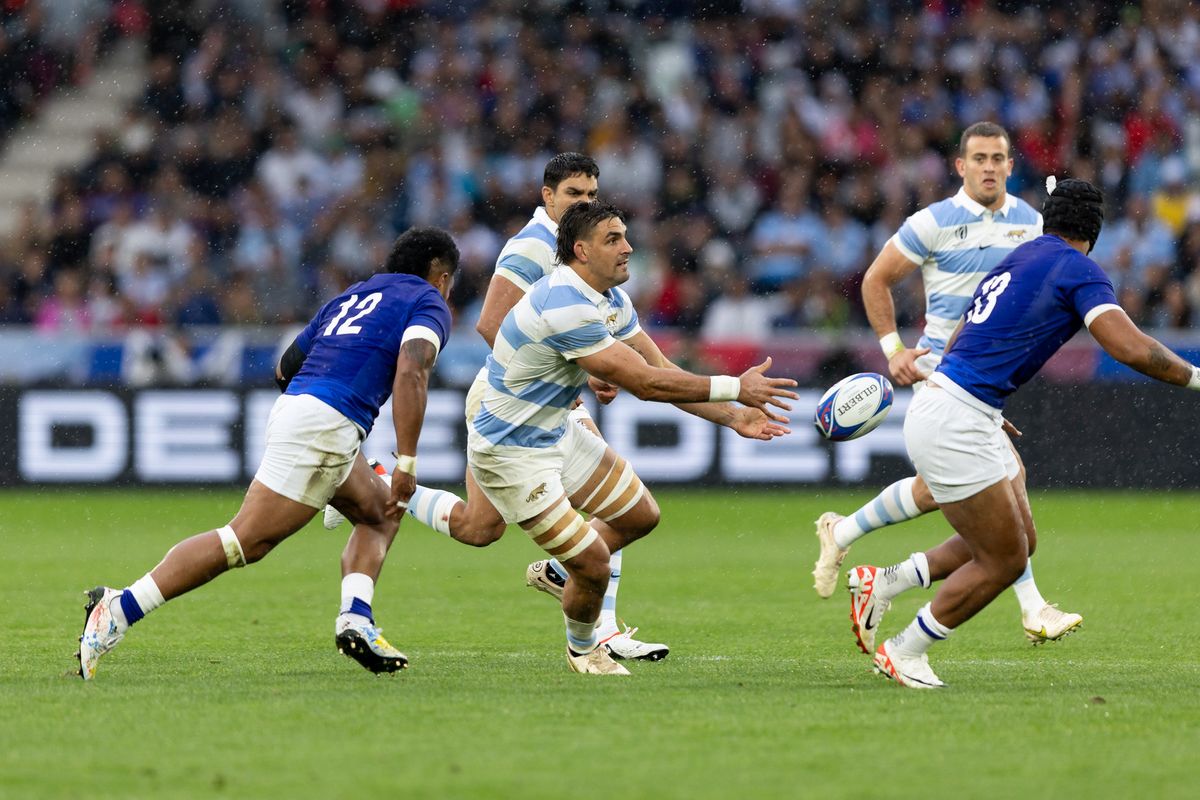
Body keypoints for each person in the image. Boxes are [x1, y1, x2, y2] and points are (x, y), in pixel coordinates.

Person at [76, 228, 461, 680]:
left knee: (381, 513)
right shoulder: (428, 301)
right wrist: (408, 462)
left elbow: (284, 368)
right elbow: (412, 372)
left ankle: (356, 621)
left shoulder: (352, 296)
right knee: (243, 542)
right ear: (440, 277)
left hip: (300, 409)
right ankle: (119, 608)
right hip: (326, 427)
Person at [867, 178, 1200, 687]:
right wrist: (1194, 376)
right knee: (1003, 560)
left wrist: (983, 399)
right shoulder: (1079, 269)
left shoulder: (1020, 256)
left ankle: (889, 581)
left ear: (1048, 221)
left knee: (1020, 539)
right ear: (1095, 230)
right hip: (957, 417)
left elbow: (965, 331)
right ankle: (905, 649)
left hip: (957, 406)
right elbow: (1129, 347)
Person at [341, 153, 668, 660]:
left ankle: (381, 482)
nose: (584, 202)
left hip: (542, 397)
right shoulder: (533, 247)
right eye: (573, 194)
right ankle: (594, 627)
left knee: (480, 528)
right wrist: (574, 374)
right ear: (547, 196)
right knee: (611, 508)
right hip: (515, 400)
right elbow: (492, 323)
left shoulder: (581, 248)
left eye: (590, 195)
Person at [447, 201, 796, 675]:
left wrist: (733, 417)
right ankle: (583, 648)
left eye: (625, 236)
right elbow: (645, 385)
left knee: (639, 515)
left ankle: (558, 571)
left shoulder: (610, 300)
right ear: (581, 251)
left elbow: (660, 370)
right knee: (587, 563)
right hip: (512, 450)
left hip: (555, 430)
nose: (629, 247)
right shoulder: (564, 304)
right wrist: (737, 385)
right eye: (613, 239)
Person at [811, 121, 1082, 647]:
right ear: (960, 166)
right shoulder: (933, 222)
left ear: (1010, 165)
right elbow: (876, 279)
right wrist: (894, 352)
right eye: (977, 158)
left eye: (997, 158)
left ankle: (855, 547)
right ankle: (1032, 607)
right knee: (1007, 495)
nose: (987, 167)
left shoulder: (1031, 224)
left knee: (953, 496)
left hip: (985, 378)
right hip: (944, 375)